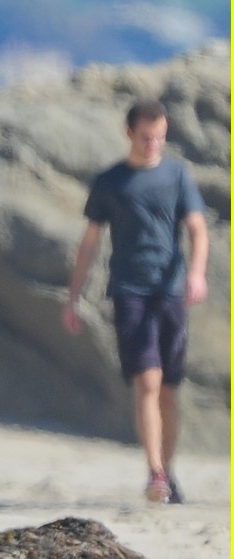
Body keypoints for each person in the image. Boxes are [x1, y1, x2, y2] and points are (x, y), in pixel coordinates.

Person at [62, 100, 209, 504]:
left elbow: (197, 229)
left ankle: (168, 472)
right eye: (146, 137)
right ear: (129, 134)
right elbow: (90, 242)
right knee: (148, 381)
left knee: (168, 390)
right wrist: (73, 297)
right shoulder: (110, 182)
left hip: (170, 291)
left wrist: (196, 274)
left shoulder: (177, 175)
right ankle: (155, 473)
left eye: (159, 137)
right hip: (129, 290)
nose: (152, 144)